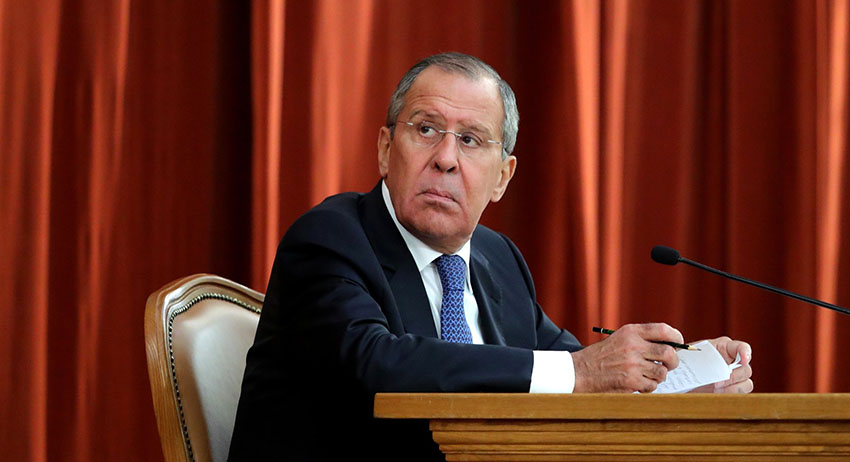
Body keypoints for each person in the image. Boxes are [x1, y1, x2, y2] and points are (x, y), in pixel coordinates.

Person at [228, 52, 753, 462]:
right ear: (386, 148)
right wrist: (582, 371)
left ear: (502, 177)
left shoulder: (497, 259)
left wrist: (676, 381)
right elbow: (378, 363)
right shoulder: (330, 239)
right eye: (426, 129)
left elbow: (570, 369)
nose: (445, 159)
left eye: (471, 140)